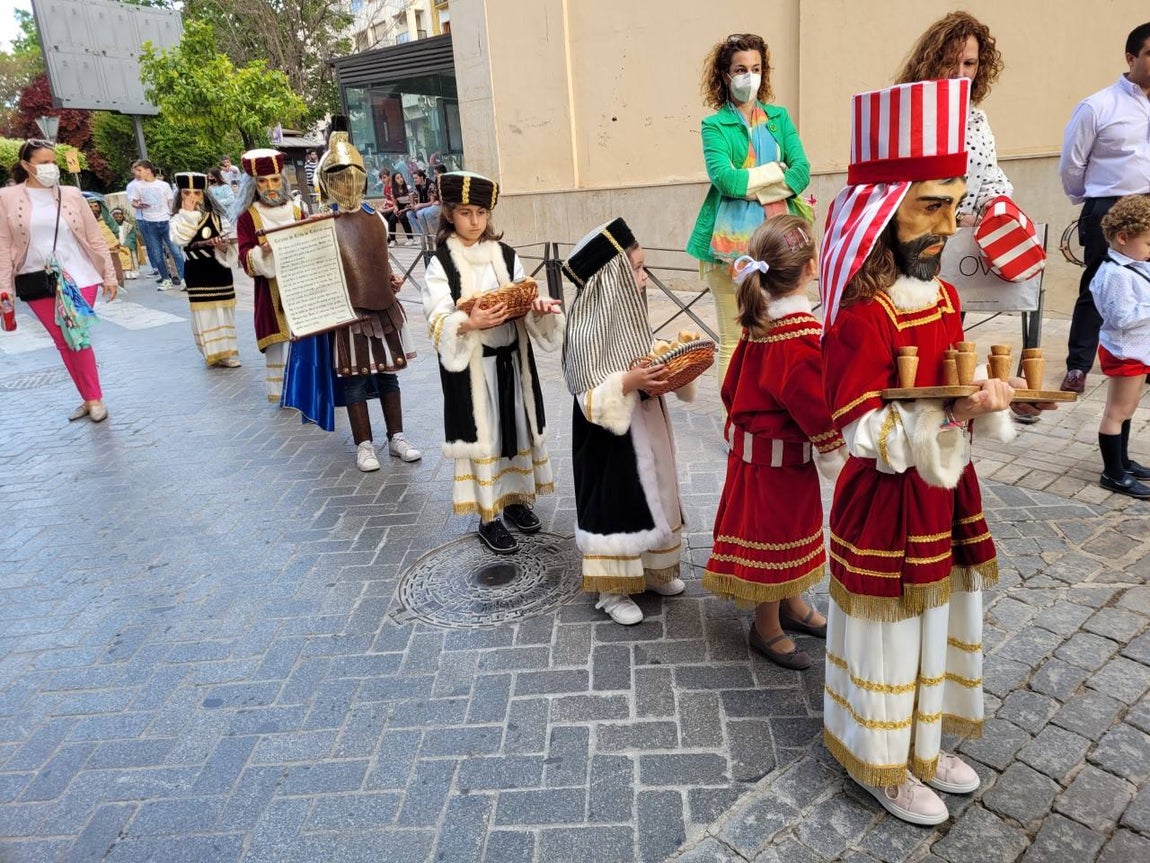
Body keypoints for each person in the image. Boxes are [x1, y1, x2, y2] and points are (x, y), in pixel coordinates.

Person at [819, 78, 1036, 826]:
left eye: (953, 203)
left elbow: (949, 390)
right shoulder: (863, 315)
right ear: (884, 214)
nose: (949, 224)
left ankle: (926, 740)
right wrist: (954, 417)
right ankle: (880, 757)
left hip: (945, 494)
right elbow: (859, 429)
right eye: (931, 206)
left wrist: (984, 400)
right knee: (891, 635)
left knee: (943, 622)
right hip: (885, 500)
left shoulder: (944, 300)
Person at [703, 215, 846, 666]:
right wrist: (832, 447)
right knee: (776, 539)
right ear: (809, 269)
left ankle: (792, 603)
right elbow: (814, 408)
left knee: (795, 534)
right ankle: (766, 626)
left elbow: (731, 387)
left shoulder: (760, 321)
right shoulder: (797, 336)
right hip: (778, 464)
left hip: (762, 458)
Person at [421, 171, 564, 554]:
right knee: (487, 440)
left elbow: (522, 294)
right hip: (473, 370)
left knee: (514, 429)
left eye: (481, 212)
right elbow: (436, 317)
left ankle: (516, 501)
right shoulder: (441, 263)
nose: (475, 221)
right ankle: (489, 517)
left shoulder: (505, 255)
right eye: (465, 212)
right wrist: (468, 322)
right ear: (449, 214)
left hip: (512, 363)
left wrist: (537, 307)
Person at [561, 217, 689, 625]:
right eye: (635, 268)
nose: (643, 277)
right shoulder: (584, 329)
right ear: (610, 279)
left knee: (658, 491)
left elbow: (642, 350)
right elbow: (588, 401)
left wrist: (669, 363)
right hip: (608, 443)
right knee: (617, 506)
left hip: (647, 422)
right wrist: (628, 381)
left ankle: (654, 570)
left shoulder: (631, 316)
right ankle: (611, 590)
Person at [281, 119, 421, 469]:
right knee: (355, 379)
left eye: (352, 175)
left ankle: (396, 438)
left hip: (382, 306)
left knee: (389, 374)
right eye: (339, 177)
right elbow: (312, 271)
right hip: (347, 313)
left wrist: (390, 279)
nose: (347, 183)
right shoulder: (320, 223)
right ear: (328, 182)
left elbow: (379, 258)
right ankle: (364, 444)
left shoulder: (378, 218)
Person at [687, 32, 812, 386]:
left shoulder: (779, 118)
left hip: (779, 244)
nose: (749, 77)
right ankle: (733, 422)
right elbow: (726, 181)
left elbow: (801, 173)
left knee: (778, 333)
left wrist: (752, 184)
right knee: (735, 340)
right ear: (725, 75)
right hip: (728, 250)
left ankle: (767, 408)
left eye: (756, 68)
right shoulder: (714, 126)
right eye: (741, 69)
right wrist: (776, 174)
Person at [1059, 22, 1150, 395]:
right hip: (1111, 209)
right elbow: (1071, 165)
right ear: (1131, 58)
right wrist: (1098, 203)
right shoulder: (1098, 106)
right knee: (1097, 286)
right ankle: (1078, 366)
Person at [0, 139, 118, 421]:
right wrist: (5, 288)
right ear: (26, 165)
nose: (51, 167)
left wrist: (109, 276)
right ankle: (88, 398)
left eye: (53, 161)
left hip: (80, 276)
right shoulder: (7, 198)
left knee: (78, 334)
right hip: (35, 278)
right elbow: (4, 245)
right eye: (43, 163)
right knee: (63, 341)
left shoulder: (72, 194)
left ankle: (95, 398)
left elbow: (94, 236)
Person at [1089, 195, 1150, 498]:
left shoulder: (1131, 265)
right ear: (1123, 238)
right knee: (1117, 411)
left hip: (1136, 351)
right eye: (1149, 243)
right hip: (1125, 351)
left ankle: (1122, 462)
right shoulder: (1116, 274)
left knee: (1127, 409)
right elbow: (1122, 317)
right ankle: (1112, 473)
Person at [235, 148, 302, 403]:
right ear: (254, 184)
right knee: (281, 341)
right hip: (271, 290)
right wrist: (260, 252)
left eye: (275, 179)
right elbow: (243, 256)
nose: (270, 186)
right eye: (263, 181)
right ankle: (284, 392)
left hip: (300, 284)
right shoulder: (247, 217)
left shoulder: (297, 212)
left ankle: (308, 387)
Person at [170, 172, 242, 369]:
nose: (192, 197)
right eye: (186, 193)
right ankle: (211, 352)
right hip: (197, 271)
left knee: (224, 311)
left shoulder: (218, 218)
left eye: (197, 193)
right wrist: (188, 213)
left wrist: (223, 245)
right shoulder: (178, 219)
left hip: (218, 269)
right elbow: (180, 239)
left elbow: (230, 240)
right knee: (205, 313)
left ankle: (227, 351)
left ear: (205, 194)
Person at [126, 159, 184, 290]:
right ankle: (165, 278)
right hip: (149, 222)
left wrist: (175, 218)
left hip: (165, 220)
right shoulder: (137, 186)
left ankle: (183, 278)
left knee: (176, 251)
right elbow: (133, 202)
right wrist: (138, 205)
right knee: (157, 253)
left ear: (148, 170)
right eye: (136, 170)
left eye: (139, 170)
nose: (137, 173)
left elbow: (170, 202)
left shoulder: (163, 185)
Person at [86, 195, 124, 287]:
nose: (93, 209)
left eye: (95, 206)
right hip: (96, 250)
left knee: (115, 266)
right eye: (90, 207)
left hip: (111, 248)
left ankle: (119, 285)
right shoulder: (87, 222)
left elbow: (115, 231)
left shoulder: (107, 220)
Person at [110, 208, 139, 280]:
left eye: (120, 217)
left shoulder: (129, 226)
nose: (118, 219)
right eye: (116, 217)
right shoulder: (110, 227)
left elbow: (132, 236)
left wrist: (126, 244)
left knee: (129, 260)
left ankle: (131, 274)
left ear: (123, 217)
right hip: (116, 246)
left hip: (127, 246)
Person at [391, 171, 416, 245]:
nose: (400, 179)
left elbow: (411, 203)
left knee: (402, 218)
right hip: (400, 206)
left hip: (408, 206)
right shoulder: (393, 190)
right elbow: (395, 204)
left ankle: (410, 238)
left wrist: (402, 210)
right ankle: (393, 240)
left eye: (401, 177)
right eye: (398, 178)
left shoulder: (408, 188)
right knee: (392, 219)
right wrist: (396, 209)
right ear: (394, 181)